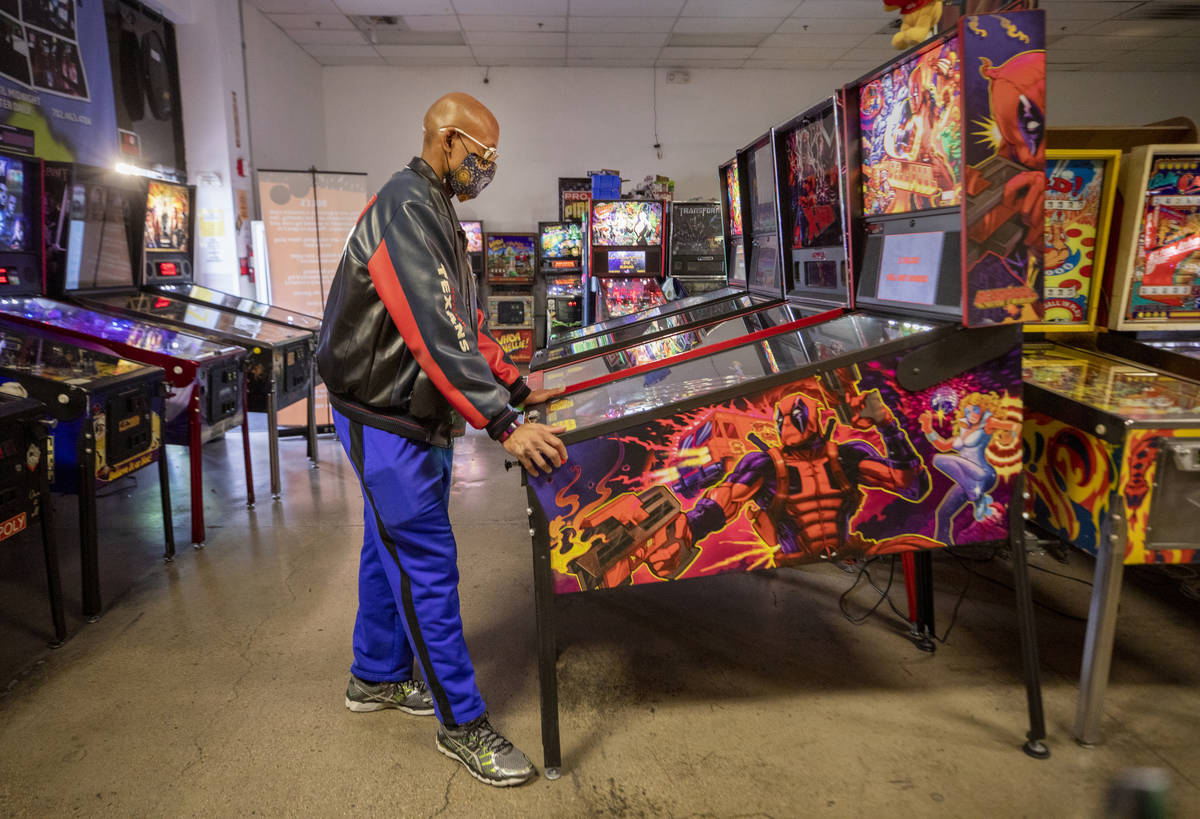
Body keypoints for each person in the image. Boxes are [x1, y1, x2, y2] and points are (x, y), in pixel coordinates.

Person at [316, 92, 566, 788]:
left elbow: (463, 323)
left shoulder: (432, 209)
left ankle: (375, 676)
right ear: (449, 141)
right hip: (385, 414)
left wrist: (516, 385)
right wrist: (507, 424)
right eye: (482, 158)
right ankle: (463, 723)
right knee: (427, 564)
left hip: (392, 407)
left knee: (384, 542)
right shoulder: (406, 207)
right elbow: (434, 334)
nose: (486, 171)